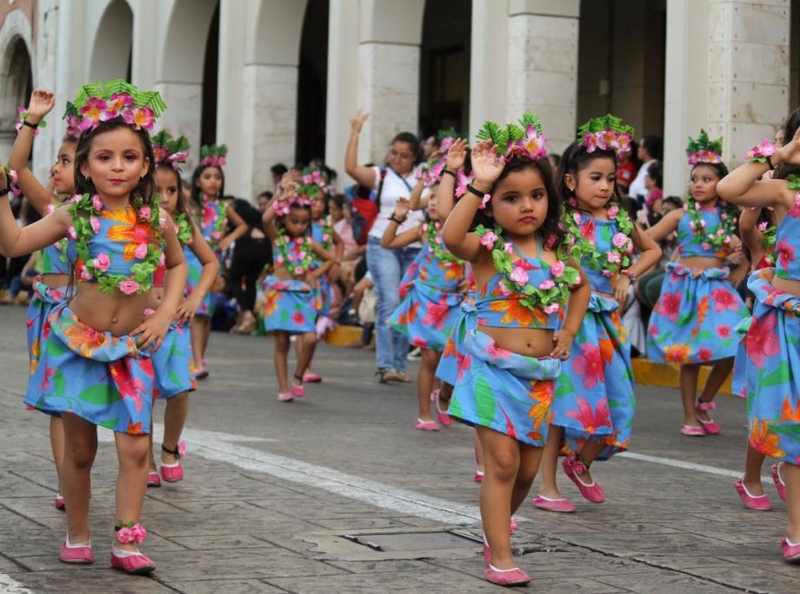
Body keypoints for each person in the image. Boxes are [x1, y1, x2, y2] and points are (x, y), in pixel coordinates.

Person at [0, 80, 187, 574]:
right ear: (85, 167)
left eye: (129, 156)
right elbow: (14, 243)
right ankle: (77, 532)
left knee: (136, 446)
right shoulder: (74, 214)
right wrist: (2, 192)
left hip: (132, 347)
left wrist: (166, 311)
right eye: (105, 157)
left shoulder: (156, 220)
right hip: (78, 346)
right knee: (80, 451)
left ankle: (126, 541)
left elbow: (179, 266)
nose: (118, 166)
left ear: (146, 164)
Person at [442, 114, 590, 586]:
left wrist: (568, 329)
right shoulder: (487, 248)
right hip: (491, 371)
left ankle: (496, 529)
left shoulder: (558, 250)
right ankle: (500, 555)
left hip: (539, 376)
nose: (526, 206)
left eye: (536, 195)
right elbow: (449, 239)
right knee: (502, 464)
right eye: (510, 197)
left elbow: (581, 288)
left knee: (527, 470)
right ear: (491, 205)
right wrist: (475, 183)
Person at [535, 115, 661, 513]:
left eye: (611, 178)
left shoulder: (620, 219)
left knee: (620, 401)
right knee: (563, 406)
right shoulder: (559, 221)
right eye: (596, 177)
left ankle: (580, 462)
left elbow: (653, 251)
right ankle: (547, 487)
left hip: (608, 322)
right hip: (570, 323)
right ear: (570, 180)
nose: (606, 186)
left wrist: (628, 272)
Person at [716, 108, 800, 562]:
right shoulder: (785, 191)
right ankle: (796, 531)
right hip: (786, 322)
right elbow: (730, 189)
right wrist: (778, 154)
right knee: (789, 424)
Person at [646, 130, 748, 436]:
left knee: (738, 342)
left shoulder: (731, 218)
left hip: (717, 290)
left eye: (706, 178)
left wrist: (737, 275)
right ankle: (689, 416)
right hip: (684, 290)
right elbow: (648, 237)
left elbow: (748, 252)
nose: (699, 184)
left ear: (721, 183)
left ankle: (705, 400)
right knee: (688, 355)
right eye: (695, 179)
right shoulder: (680, 215)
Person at [7, 89, 78, 511]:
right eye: (57, 160)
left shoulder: (108, 216)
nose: (55, 167)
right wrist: (32, 120)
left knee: (79, 407)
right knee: (57, 404)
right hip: (49, 312)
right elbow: (15, 168)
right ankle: (65, 480)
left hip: (84, 313)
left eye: (66, 161)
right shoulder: (53, 207)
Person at [145, 131, 218, 487]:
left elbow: (210, 263)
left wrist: (194, 299)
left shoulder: (184, 225)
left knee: (178, 387)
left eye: (171, 191)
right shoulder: (131, 224)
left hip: (172, 320)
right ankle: (142, 459)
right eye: (156, 191)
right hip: (136, 322)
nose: (164, 198)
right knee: (141, 392)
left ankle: (170, 447)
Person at [345, 110, 426, 383]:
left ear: (415, 156)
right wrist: (356, 131)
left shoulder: (425, 175)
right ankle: (386, 364)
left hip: (415, 244)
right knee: (390, 300)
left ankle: (399, 367)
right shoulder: (381, 175)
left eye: (404, 155)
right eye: (393, 153)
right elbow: (351, 169)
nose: (397, 159)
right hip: (382, 242)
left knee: (406, 303)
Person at [382, 183, 466, 431]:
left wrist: (469, 283)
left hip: (453, 303)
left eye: (439, 198)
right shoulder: (424, 231)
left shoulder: (464, 232)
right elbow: (387, 242)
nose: (432, 203)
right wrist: (398, 216)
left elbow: (475, 261)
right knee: (429, 357)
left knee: (454, 356)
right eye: (430, 198)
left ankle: (443, 395)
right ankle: (423, 414)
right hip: (425, 300)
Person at [261, 175, 334, 401]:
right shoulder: (277, 239)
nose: (300, 226)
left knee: (310, 338)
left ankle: (298, 376)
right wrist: (282, 194)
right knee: (282, 342)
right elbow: (266, 219)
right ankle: (283, 388)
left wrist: (314, 274)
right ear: (284, 220)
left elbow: (330, 259)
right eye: (295, 221)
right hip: (281, 294)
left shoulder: (309, 243)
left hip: (302, 294)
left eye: (304, 222)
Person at [187, 146, 248, 378]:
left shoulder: (224, 207)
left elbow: (242, 226)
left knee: (207, 312)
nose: (213, 182)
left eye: (217, 177)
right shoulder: (191, 205)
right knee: (197, 311)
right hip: (192, 260)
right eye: (207, 177)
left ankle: (200, 356)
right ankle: (195, 360)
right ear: (198, 181)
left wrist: (228, 238)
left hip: (213, 261)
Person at [228, 197, 271, 334]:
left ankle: (247, 314)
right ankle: (249, 320)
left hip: (246, 244)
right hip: (264, 246)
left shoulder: (235, 214)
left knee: (234, 281)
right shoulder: (255, 214)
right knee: (251, 282)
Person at [628, 134, 662, 212]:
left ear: (646, 150)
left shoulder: (653, 167)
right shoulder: (645, 166)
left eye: (640, 146)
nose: (638, 149)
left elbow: (646, 192)